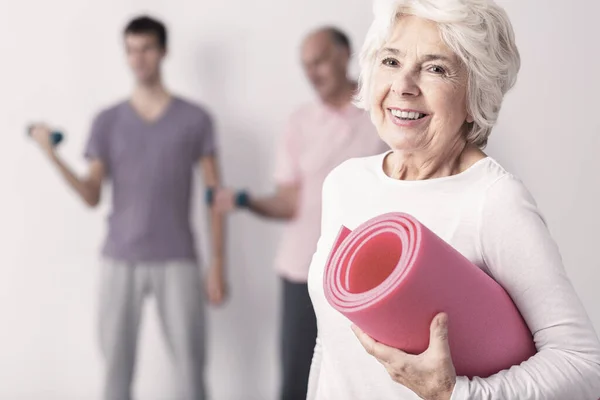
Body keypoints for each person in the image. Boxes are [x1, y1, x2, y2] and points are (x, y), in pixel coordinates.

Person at [305, 1, 600, 399]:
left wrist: (453, 395)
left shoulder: (493, 200)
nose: (404, 85)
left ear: (475, 93)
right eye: (391, 61)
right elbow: (331, 342)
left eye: (435, 68)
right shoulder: (345, 183)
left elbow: (582, 363)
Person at [29, 16, 226, 400]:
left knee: (191, 373)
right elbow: (91, 195)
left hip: (178, 259)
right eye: (132, 50)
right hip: (119, 258)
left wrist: (218, 263)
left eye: (147, 48)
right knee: (115, 374)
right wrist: (51, 154)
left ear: (163, 52)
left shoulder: (195, 119)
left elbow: (214, 196)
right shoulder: (107, 121)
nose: (139, 58)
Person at [214, 27, 387, 400]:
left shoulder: (382, 110)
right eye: (306, 66)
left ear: (344, 54)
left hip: (366, 273)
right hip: (302, 271)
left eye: (320, 60)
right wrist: (244, 200)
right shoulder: (299, 122)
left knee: (369, 377)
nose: (313, 73)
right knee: (297, 379)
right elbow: (288, 203)